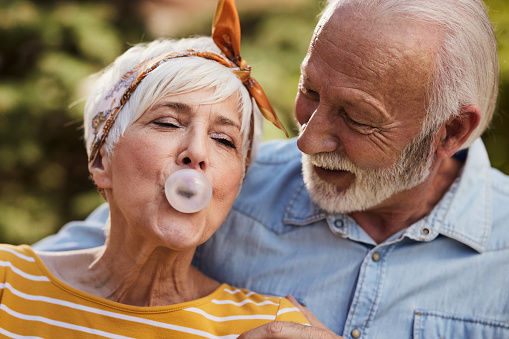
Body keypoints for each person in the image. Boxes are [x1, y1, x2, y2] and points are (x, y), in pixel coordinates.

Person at [33, 0, 509, 338]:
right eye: (312, 92)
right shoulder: (237, 180)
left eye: (357, 117)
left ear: (449, 133)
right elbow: (76, 275)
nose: (306, 139)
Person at [0, 0, 311, 337]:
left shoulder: (272, 326)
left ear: (235, 186)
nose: (197, 151)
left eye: (223, 139)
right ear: (102, 161)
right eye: (167, 123)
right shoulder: (8, 281)